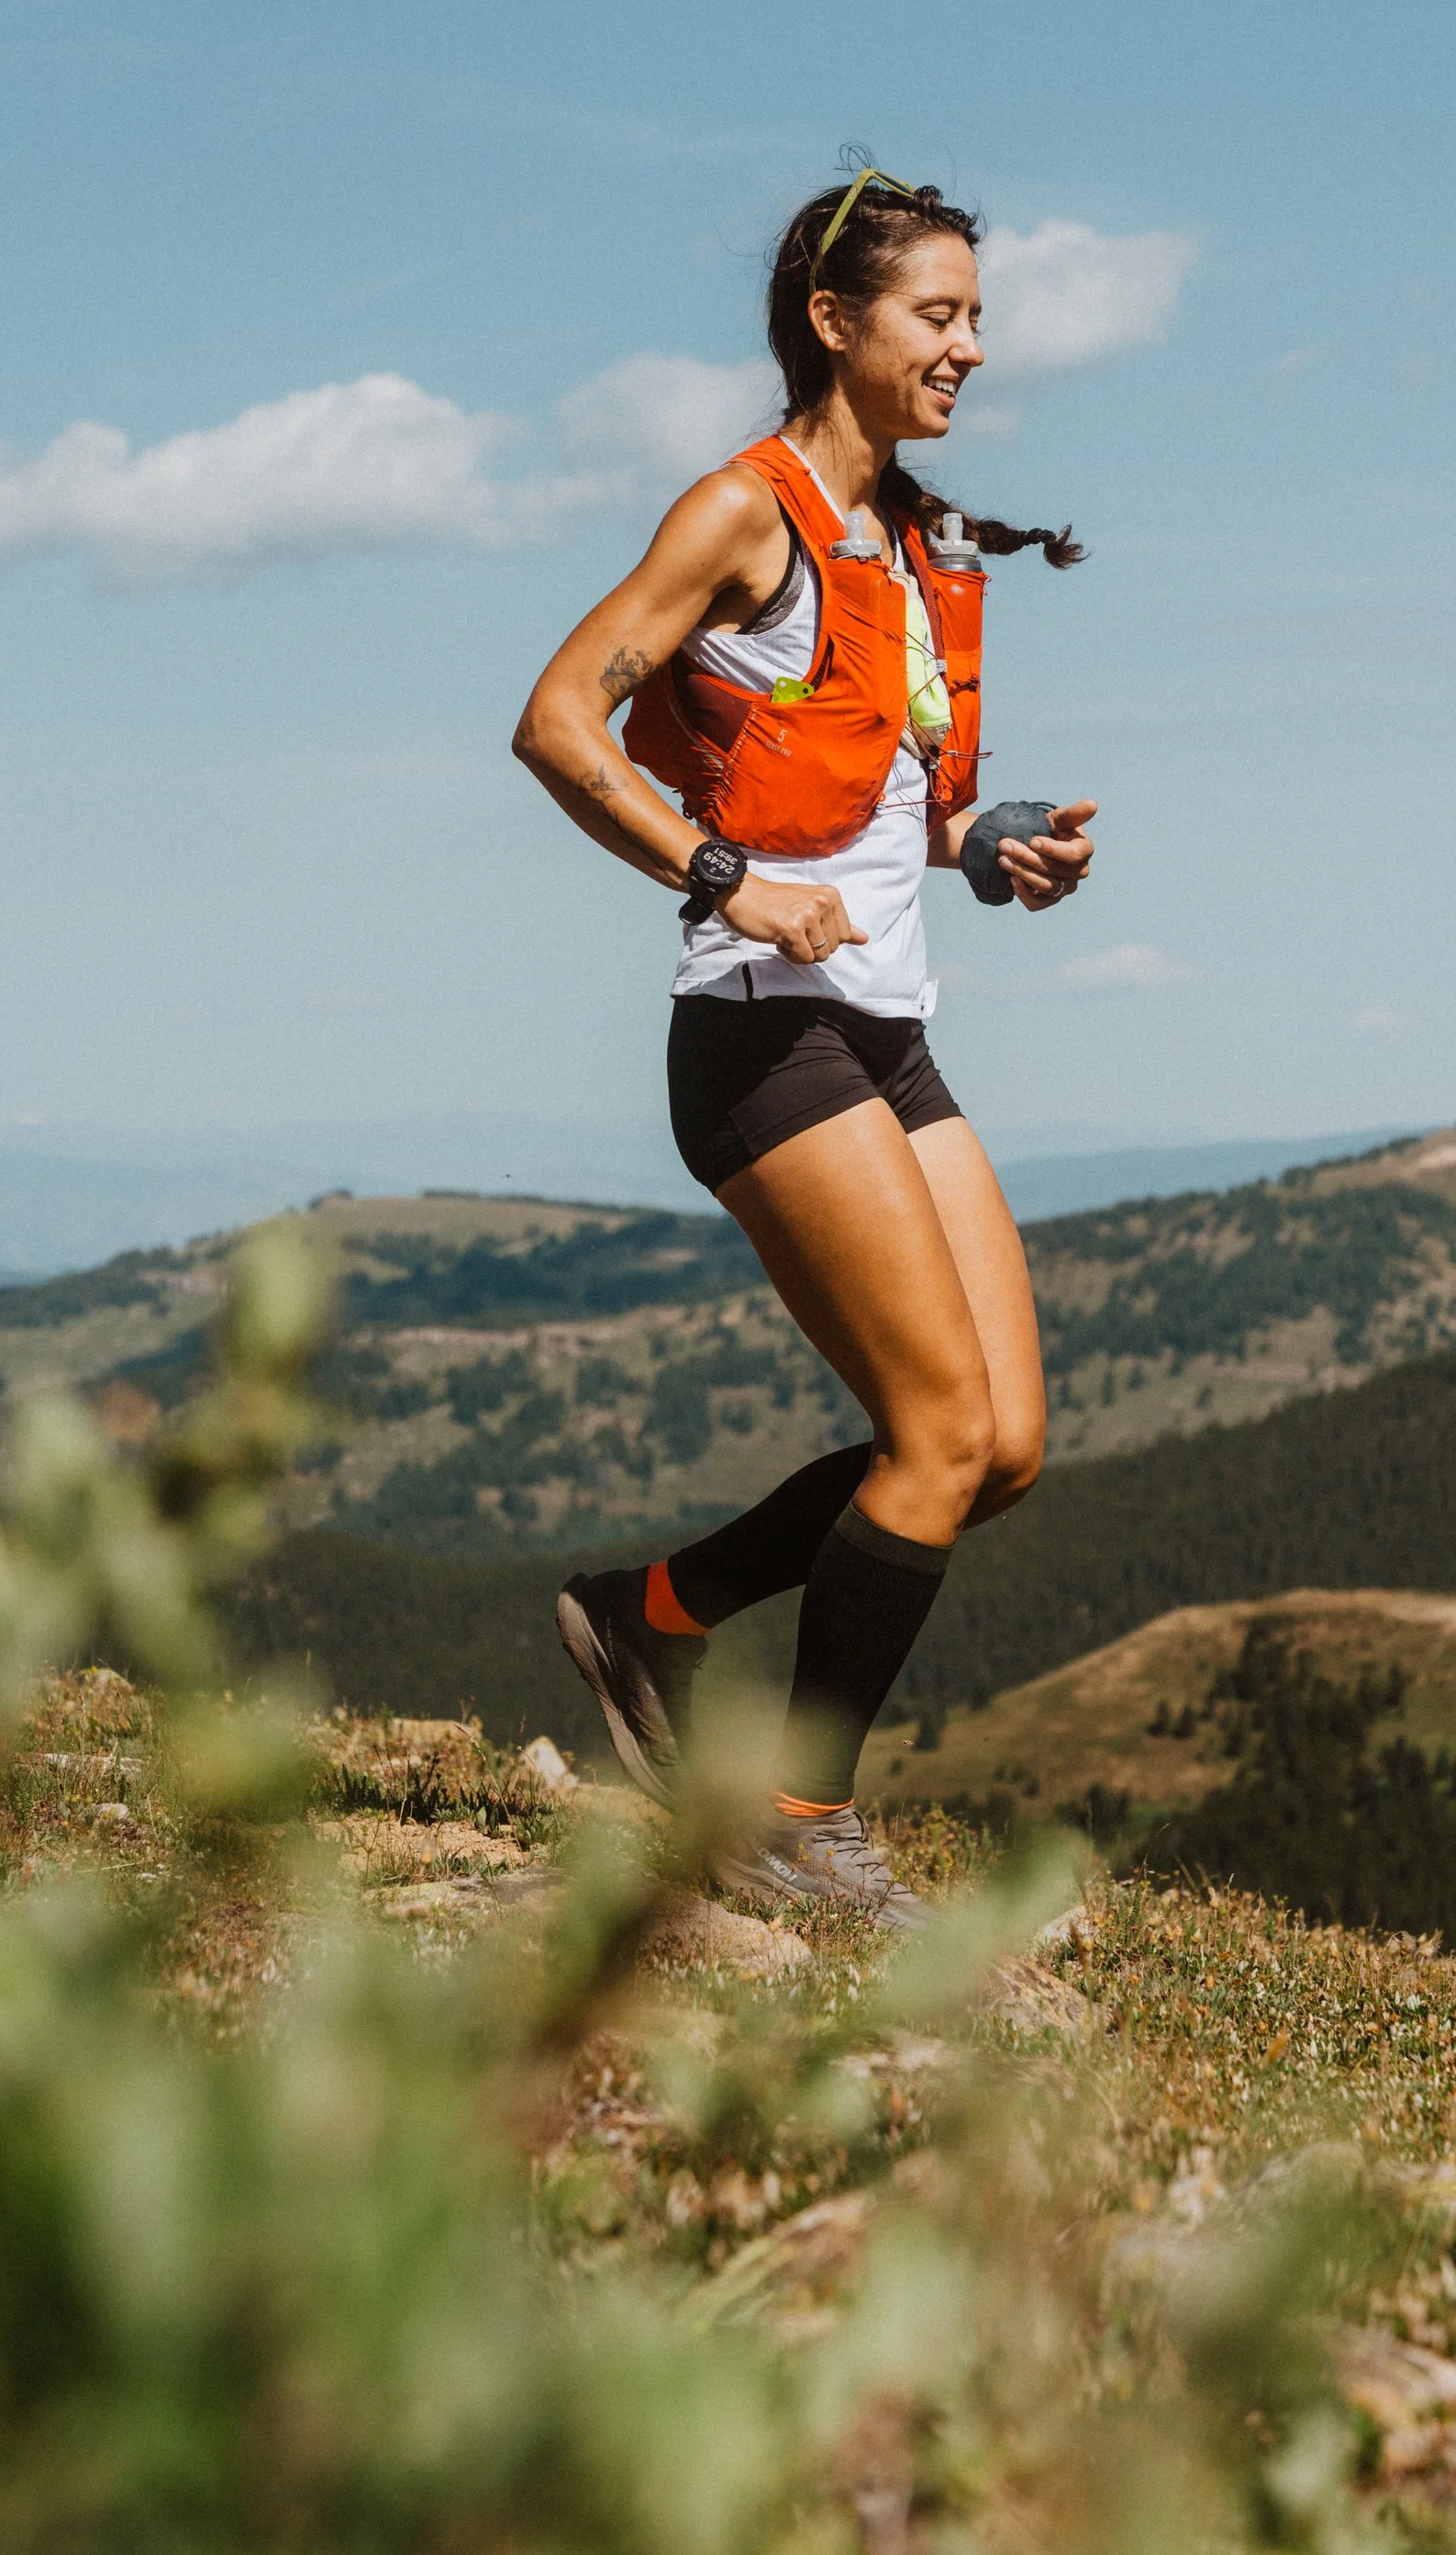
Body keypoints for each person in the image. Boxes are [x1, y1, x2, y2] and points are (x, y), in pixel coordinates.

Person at [512, 167, 1096, 1926]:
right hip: (763, 1035)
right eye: (940, 315)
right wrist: (722, 879)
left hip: (888, 1027)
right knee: (930, 1431)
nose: (971, 348)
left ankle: (648, 1615)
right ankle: (792, 1818)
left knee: (999, 1453)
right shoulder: (740, 513)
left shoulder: (915, 543)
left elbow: (859, 799)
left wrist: (979, 840)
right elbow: (557, 719)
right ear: (837, 324)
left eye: (977, 317)